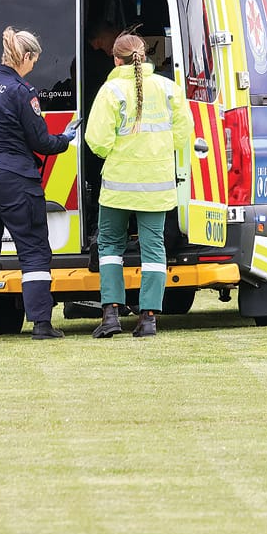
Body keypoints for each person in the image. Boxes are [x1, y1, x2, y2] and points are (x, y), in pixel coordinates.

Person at [0, 27, 78, 342]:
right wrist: (66, 137)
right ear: (26, 56)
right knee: (34, 249)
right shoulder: (21, 91)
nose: (34, 66)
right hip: (11, 179)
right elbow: (41, 142)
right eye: (34, 60)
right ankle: (41, 325)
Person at [85, 32, 193, 338]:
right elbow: (184, 131)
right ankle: (148, 318)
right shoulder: (168, 88)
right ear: (145, 56)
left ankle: (110, 315)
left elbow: (96, 140)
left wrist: (115, 153)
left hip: (119, 185)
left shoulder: (111, 90)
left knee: (109, 247)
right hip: (157, 185)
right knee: (153, 249)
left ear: (115, 59)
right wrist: (160, 149)